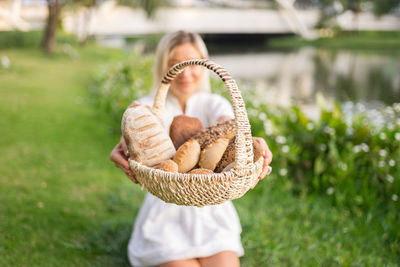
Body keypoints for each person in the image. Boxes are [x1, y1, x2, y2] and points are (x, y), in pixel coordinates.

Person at [110, 30, 273, 267]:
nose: (186, 73)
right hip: (164, 217)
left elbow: (230, 129)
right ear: (163, 66)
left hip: (213, 215)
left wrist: (254, 144)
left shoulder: (214, 103)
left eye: (193, 64)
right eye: (175, 64)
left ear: (204, 65)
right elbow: (136, 121)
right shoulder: (151, 106)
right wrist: (125, 143)